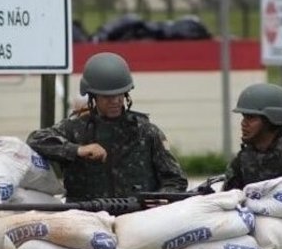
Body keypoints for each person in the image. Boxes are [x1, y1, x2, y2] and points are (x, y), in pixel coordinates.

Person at [27, 52, 188, 202]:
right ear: (93, 97)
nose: (115, 101)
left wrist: (159, 199)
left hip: (137, 218)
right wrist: (77, 150)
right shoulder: (75, 129)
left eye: (120, 95)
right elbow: (35, 140)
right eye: (107, 97)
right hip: (88, 218)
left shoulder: (146, 132)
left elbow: (176, 180)